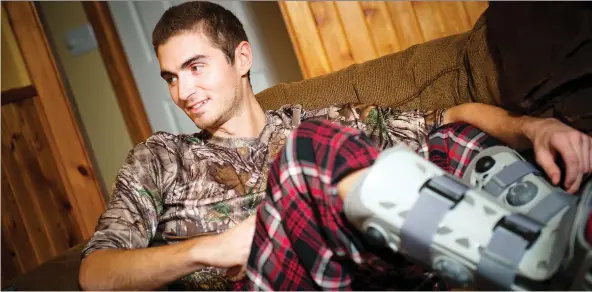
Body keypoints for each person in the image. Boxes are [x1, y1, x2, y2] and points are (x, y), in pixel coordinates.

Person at [78, 1, 592, 290]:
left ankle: (559, 235)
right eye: (171, 77)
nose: (181, 92)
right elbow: (95, 274)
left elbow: (451, 116)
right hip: (266, 282)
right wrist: (213, 249)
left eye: (195, 68)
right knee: (305, 156)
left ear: (240, 58)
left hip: (361, 272)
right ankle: (538, 260)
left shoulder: (312, 123)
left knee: (447, 139)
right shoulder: (161, 157)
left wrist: (532, 128)